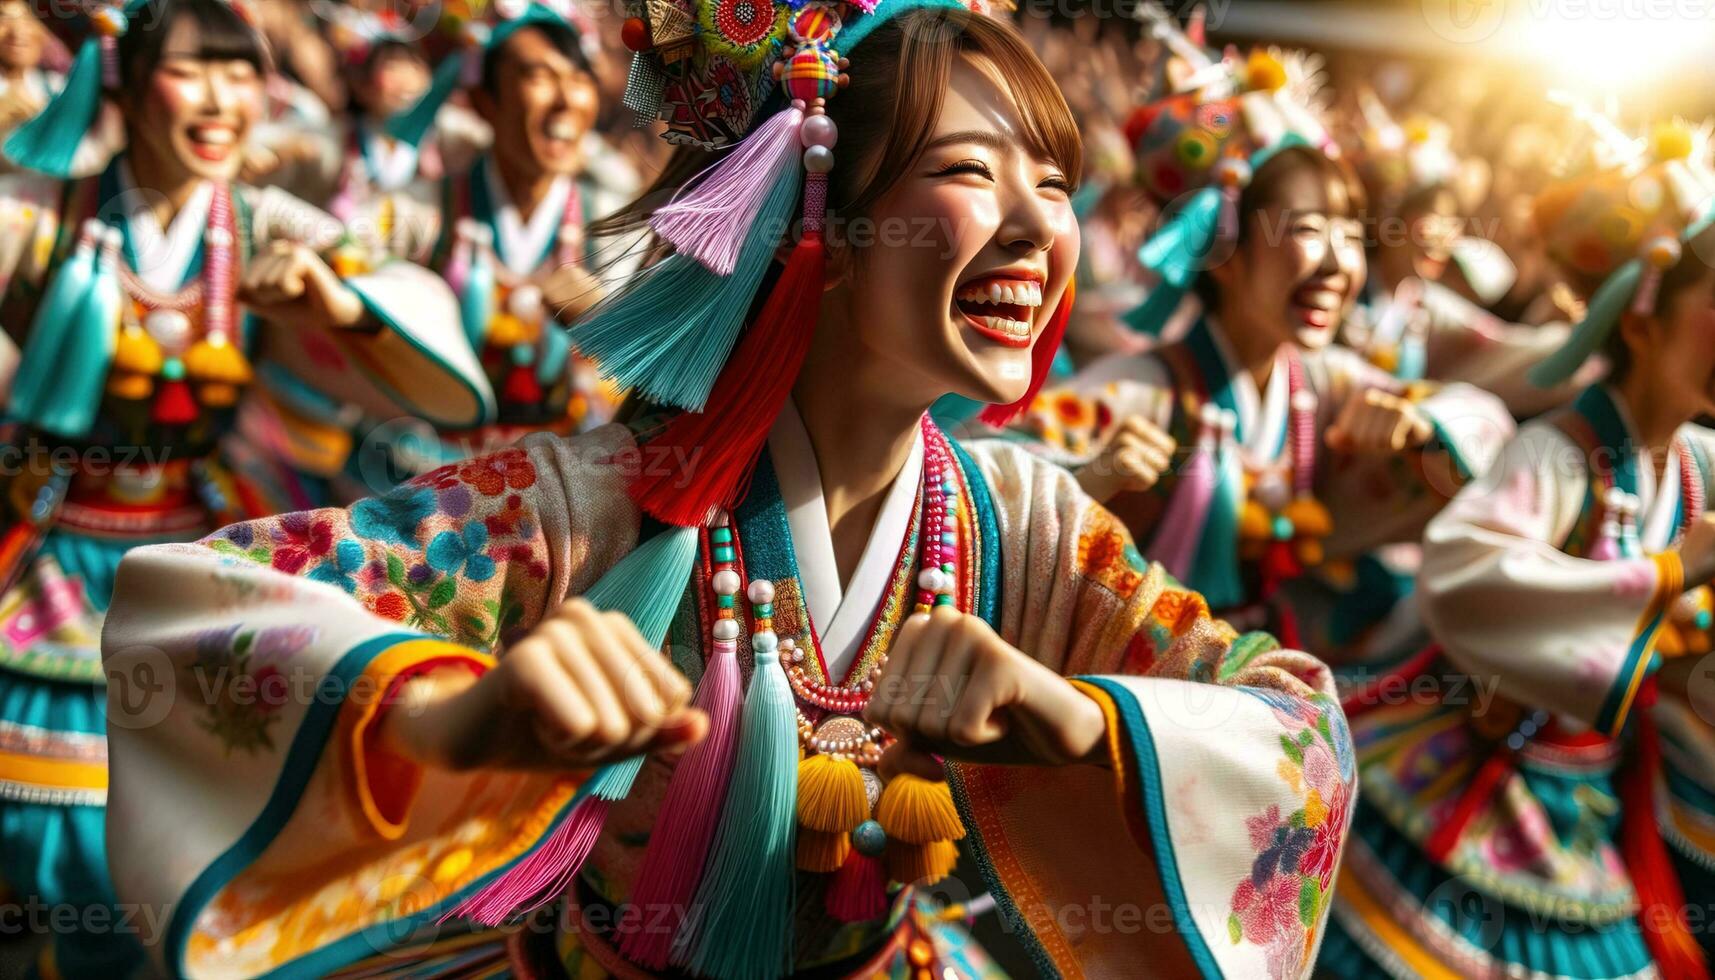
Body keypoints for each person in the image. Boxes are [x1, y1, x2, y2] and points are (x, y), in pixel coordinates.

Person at [100, 4, 1356, 977]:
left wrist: (1075, 717)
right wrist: (454, 723)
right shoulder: (590, 502)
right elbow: (205, 606)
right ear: (816, 213)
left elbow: (1294, 722)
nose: (1039, 226)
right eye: (974, 172)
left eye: (1052, 182)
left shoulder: (1021, 527)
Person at [0, 0, 490, 973]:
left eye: (242, 75)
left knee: (206, 814)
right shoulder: (44, 210)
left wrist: (337, 300)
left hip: (198, 557)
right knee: (53, 827)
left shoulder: (264, 219)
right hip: (53, 545)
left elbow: (416, 308)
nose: (225, 100)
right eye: (195, 71)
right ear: (128, 85)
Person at [1322, 117, 1715, 978]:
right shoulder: (1556, 454)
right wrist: (1669, 573)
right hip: (1469, 776)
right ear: (1641, 317)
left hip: (1586, 797)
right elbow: (1465, 573)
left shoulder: (1694, 464)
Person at [1003, 54, 1511, 656]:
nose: (1338, 263)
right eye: (1306, 230)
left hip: (1257, 679)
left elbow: (1488, 426)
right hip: (1133, 695)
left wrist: (1422, 425)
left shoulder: (1320, 385)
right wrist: (1094, 479)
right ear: (1226, 250)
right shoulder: (1147, 389)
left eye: (1349, 235)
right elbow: (999, 490)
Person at [348, 4, 637, 480]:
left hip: (566, 484)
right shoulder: (419, 212)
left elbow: (655, 378)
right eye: (539, 76)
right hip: (428, 480)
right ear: (485, 102)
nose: (567, 99)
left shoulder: (613, 222)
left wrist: (603, 319)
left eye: (580, 79)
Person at [1342, 95, 1583, 419]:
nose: (1444, 235)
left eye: (1452, 222)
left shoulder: (1424, 305)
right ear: (1389, 221)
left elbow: (1503, 346)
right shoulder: (1344, 288)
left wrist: (1584, 335)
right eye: (1433, 217)